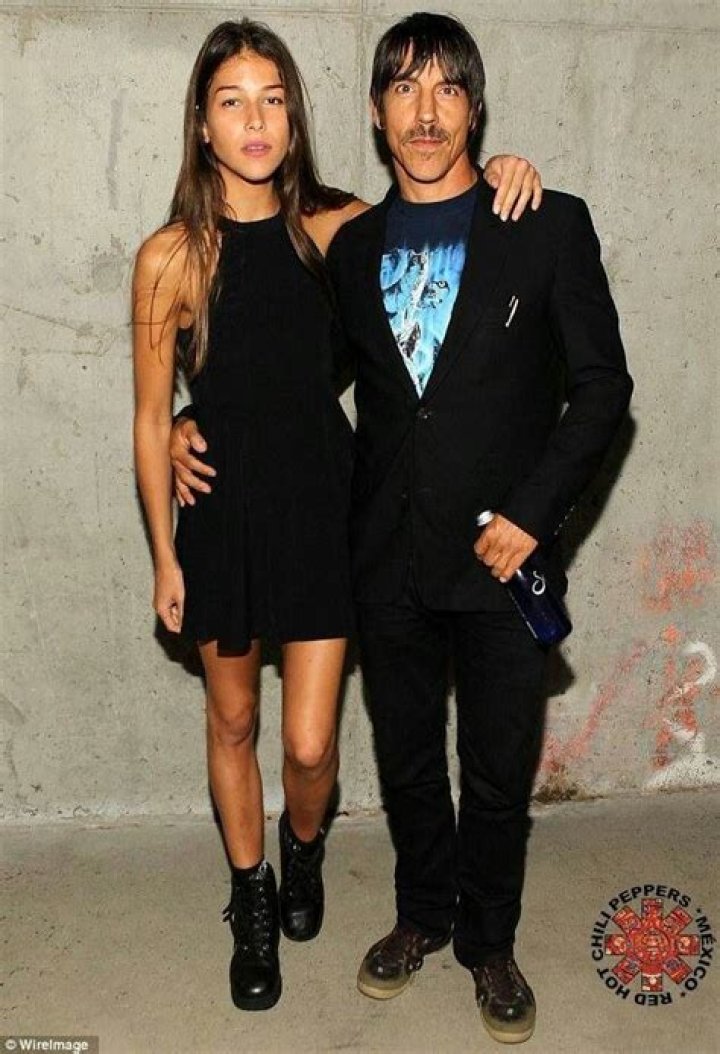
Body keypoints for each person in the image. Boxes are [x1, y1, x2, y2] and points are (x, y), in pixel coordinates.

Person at [134, 17, 542, 1014]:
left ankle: (303, 847)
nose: (256, 120)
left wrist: (503, 172)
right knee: (234, 719)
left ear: (298, 117)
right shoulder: (168, 257)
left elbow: (435, 204)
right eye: (232, 101)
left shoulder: (335, 230)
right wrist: (165, 553)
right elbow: (148, 418)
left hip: (325, 508)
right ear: (201, 124)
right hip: (222, 515)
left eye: (273, 99)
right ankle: (252, 898)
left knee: (311, 745)